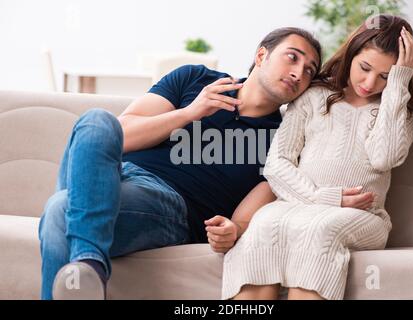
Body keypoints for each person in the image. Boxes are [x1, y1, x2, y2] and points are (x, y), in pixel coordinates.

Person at [38, 27, 323, 299]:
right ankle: (89, 266)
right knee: (97, 120)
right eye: (292, 57)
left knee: (60, 209)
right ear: (262, 56)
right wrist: (190, 112)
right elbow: (119, 137)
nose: (298, 72)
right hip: (110, 173)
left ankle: (88, 262)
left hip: (168, 206)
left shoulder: (283, 140)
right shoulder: (195, 79)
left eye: (309, 70)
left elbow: (243, 219)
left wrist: (232, 230)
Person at [220, 14, 413, 300]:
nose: (369, 83)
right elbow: (277, 164)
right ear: (351, 54)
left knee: (321, 228)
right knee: (264, 223)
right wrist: (325, 198)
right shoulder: (316, 96)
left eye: (385, 75)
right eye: (364, 67)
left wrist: (398, 84)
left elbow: (384, 158)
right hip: (297, 206)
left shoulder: (398, 111)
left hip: (362, 216)